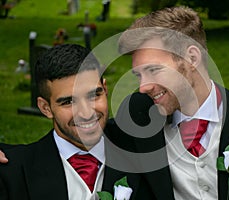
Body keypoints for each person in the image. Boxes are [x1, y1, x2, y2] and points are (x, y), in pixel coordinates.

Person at [116, 6, 229, 200]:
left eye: (153, 70)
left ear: (192, 58)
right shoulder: (140, 129)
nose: (143, 87)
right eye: (139, 75)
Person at [0, 44, 151, 200]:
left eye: (94, 95)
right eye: (68, 102)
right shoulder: (14, 170)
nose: (86, 113)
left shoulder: (140, 147)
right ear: (45, 108)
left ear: (105, 89)